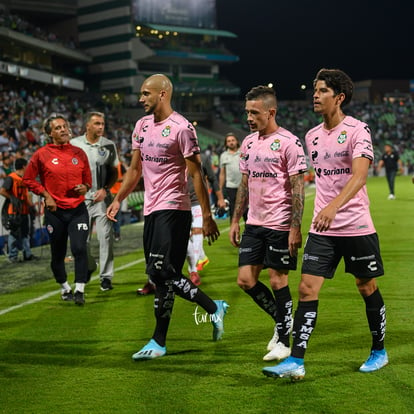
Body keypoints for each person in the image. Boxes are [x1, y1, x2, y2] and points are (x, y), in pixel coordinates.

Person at [263, 68, 388, 380]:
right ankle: (297, 360)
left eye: (322, 91)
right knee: (306, 288)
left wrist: (334, 205)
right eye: (315, 91)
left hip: (356, 225)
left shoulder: (359, 130)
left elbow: (359, 176)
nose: (315, 96)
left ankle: (379, 350)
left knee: (366, 285)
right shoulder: (312, 136)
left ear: (339, 97)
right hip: (323, 228)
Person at [106, 74, 229, 359]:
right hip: (151, 209)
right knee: (161, 276)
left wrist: (207, 215)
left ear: (163, 94)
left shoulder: (182, 128)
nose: (140, 99)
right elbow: (135, 170)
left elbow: (197, 173)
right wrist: (117, 199)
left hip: (175, 209)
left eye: (146, 93)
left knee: (161, 272)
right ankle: (211, 309)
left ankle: (160, 339)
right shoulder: (141, 125)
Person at [229, 85, 307, 362]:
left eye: (254, 112)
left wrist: (295, 228)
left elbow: (298, 187)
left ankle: (284, 342)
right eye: (247, 112)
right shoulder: (249, 142)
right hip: (254, 223)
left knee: (277, 281)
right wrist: (236, 219)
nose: (249, 117)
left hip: (280, 224)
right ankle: (283, 323)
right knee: (245, 280)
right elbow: (245, 183)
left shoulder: (289, 142)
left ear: (271, 112)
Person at [23, 113, 92, 306]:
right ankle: (64, 287)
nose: (63, 130)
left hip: (78, 209)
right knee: (58, 253)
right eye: (58, 128)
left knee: (79, 248)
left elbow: (88, 181)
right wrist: (45, 195)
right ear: (49, 133)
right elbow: (28, 179)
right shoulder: (41, 155)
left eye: (64, 126)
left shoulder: (79, 153)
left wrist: (85, 187)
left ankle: (79, 289)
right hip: (55, 213)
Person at [71, 111, 119, 291]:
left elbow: (114, 172)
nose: (101, 127)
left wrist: (105, 189)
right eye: (97, 124)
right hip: (79, 200)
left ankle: (106, 277)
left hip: (101, 199)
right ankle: (90, 266)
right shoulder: (73, 144)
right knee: (80, 241)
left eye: (102, 124)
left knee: (106, 237)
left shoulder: (108, 145)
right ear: (87, 126)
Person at [187, 152, 226, 286]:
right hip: (180, 202)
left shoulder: (201, 158)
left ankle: (193, 270)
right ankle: (201, 257)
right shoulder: (171, 155)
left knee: (198, 231)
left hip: (198, 200)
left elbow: (213, 179)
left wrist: (220, 198)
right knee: (184, 237)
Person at [0, 157, 37, 263]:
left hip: (24, 210)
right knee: (14, 233)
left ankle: (27, 254)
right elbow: (2, 191)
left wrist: (31, 207)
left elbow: (26, 196)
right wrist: (12, 198)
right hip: (14, 211)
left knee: (25, 233)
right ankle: (12, 256)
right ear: (24, 166)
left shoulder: (24, 179)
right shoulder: (11, 178)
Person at [219, 132, 246, 223]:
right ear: (226, 143)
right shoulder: (223, 156)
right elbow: (222, 174)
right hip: (231, 187)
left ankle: (250, 236)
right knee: (233, 212)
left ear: (237, 141)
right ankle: (234, 235)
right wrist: (220, 189)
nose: (231, 142)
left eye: (233, 140)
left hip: (244, 186)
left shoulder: (243, 153)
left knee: (247, 212)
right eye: (229, 141)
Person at [110, 159, 127, 241]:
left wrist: (114, 179)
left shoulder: (120, 165)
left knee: (116, 215)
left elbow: (126, 177)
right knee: (112, 215)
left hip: (117, 193)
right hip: (109, 193)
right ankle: (113, 234)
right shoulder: (108, 163)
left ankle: (116, 233)